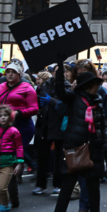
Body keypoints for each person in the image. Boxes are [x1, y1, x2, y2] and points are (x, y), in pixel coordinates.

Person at [53, 60, 107, 212]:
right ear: (88, 86)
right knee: (66, 188)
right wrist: (60, 73)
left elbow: (104, 124)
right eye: (95, 84)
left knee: (94, 192)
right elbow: (60, 91)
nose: (98, 86)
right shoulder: (73, 98)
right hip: (75, 149)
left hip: (94, 151)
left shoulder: (97, 101)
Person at [0, 60, 38, 206]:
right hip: (2, 127)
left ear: (19, 74)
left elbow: (34, 108)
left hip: (22, 126)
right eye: (8, 71)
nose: (9, 74)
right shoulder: (0, 86)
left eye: (13, 72)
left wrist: (17, 114)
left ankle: (11, 196)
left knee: (12, 159)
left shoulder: (27, 88)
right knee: (5, 159)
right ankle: (10, 196)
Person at [33, 63, 69, 195]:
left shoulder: (67, 86)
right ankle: (40, 184)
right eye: (56, 71)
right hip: (45, 125)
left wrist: (51, 102)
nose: (58, 74)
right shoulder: (46, 85)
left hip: (58, 126)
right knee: (42, 157)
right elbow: (40, 101)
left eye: (61, 72)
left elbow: (65, 105)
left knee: (59, 157)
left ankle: (58, 184)